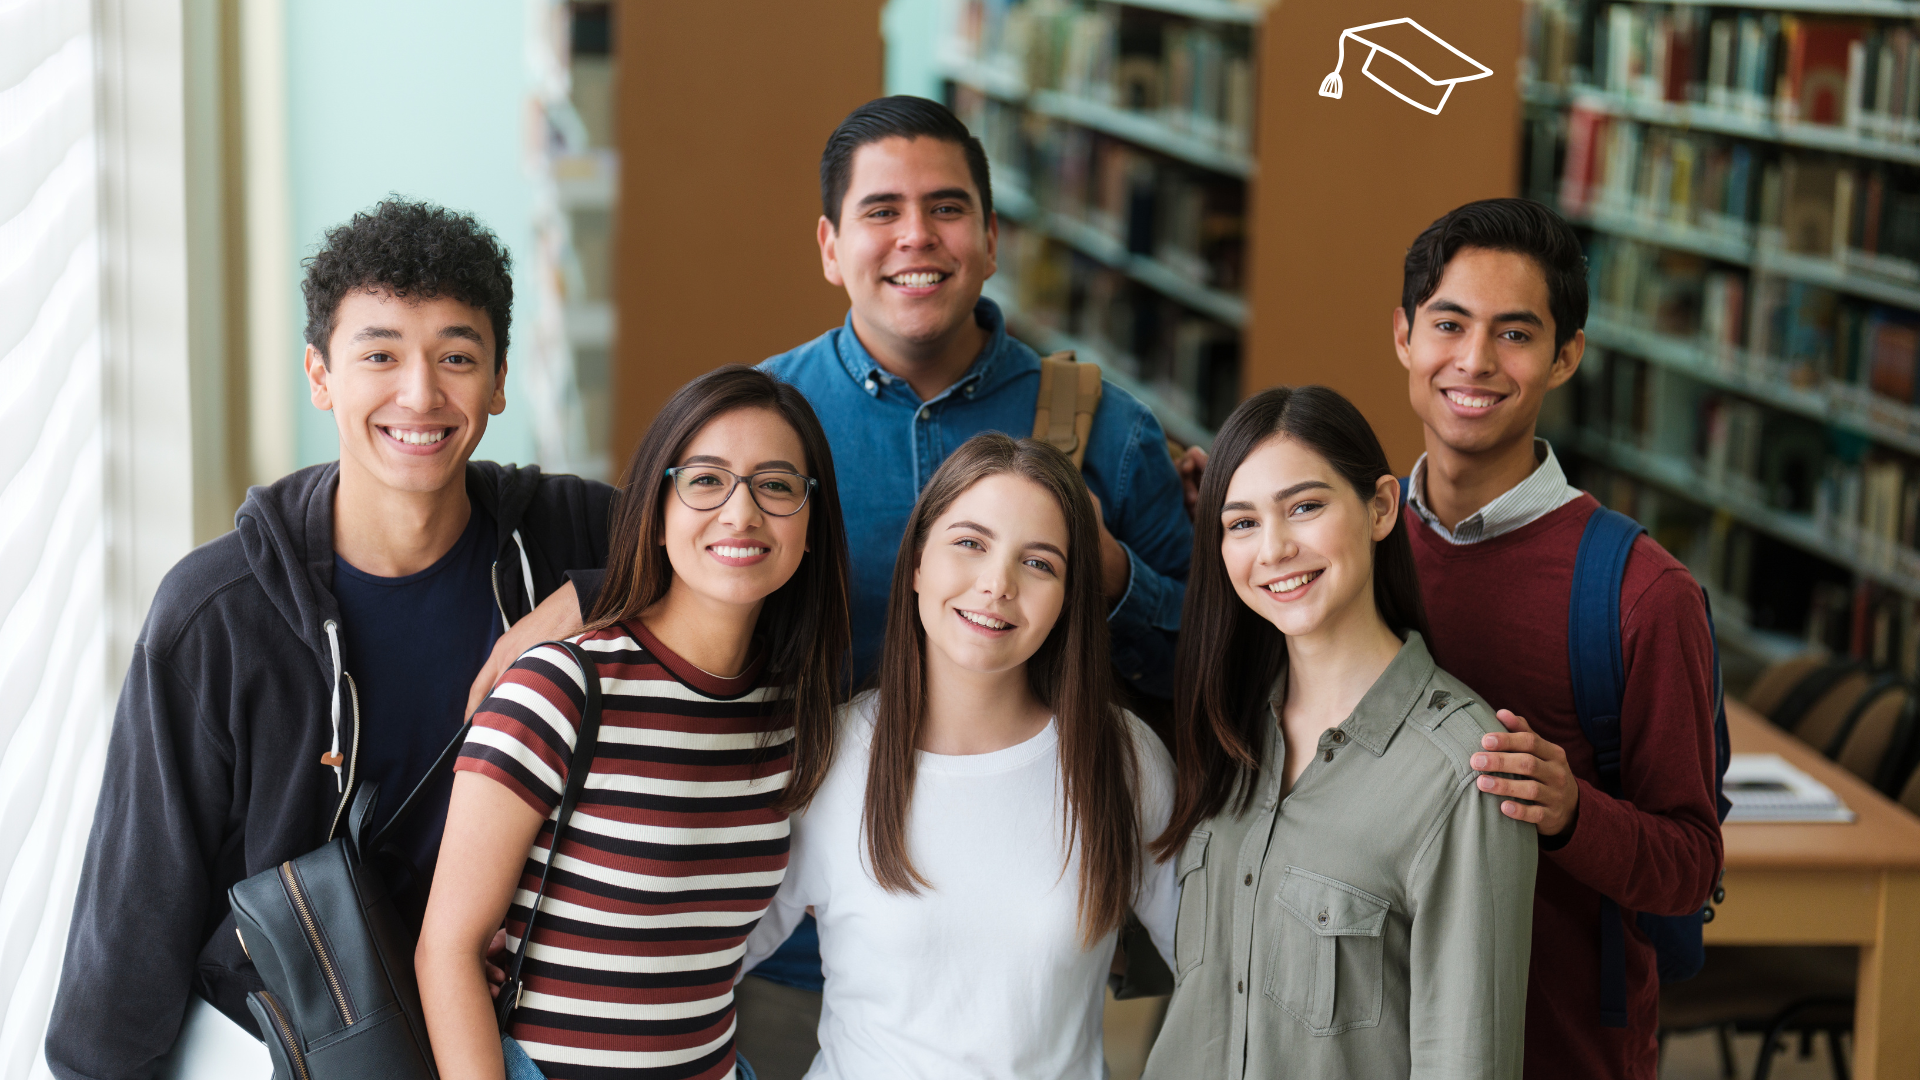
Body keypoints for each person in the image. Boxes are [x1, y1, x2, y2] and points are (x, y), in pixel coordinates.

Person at [479, 96, 1201, 1065]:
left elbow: (1204, 661)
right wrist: (585, 601)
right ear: (830, 245)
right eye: (881, 211)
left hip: (1018, 946)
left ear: (991, 239)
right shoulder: (768, 422)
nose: (916, 237)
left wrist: (1113, 580)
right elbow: (688, 565)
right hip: (773, 943)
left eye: (947, 209)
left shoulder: (1105, 429)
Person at [44, 201, 614, 1079]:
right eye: (379, 355)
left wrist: (590, 594)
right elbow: (137, 913)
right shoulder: (215, 615)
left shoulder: (570, 533)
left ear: (500, 382)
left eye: (456, 357)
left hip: (535, 1037)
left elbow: (797, 596)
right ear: (320, 374)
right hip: (309, 1048)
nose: (420, 395)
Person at [417, 366, 851, 1080]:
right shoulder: (558, 688)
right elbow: (448, 952)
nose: (741, 513)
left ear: (810, 524)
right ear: (653, 512)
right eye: (706, 481)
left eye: (775, 486)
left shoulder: (790, 713)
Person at [1394, 198, 1722, 1080]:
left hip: (1561, 1050)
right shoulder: (1357, 543)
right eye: (1450, 324)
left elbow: (1691, 865)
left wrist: (1574, 811)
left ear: (1565, 356)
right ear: (1404, 337)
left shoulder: (1643, 595)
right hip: (1374, 1041)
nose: (1473, 361)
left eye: (1515, 334)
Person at [739, 432, 1177, 1079]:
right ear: (917, 562)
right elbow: (695, 970)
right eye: (970, 543)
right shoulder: (827, 759)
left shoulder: (1122, 760)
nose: (996, 584)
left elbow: (1219, 973)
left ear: (1066, 599)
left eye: (1040, 563)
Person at [1141, 385, 1538, 1080]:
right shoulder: (1225, 727)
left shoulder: (1462, 772)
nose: (1275, 548)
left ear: (1381, 507)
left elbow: (1467, 1061)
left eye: (1305, 507)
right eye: (1241, 523)